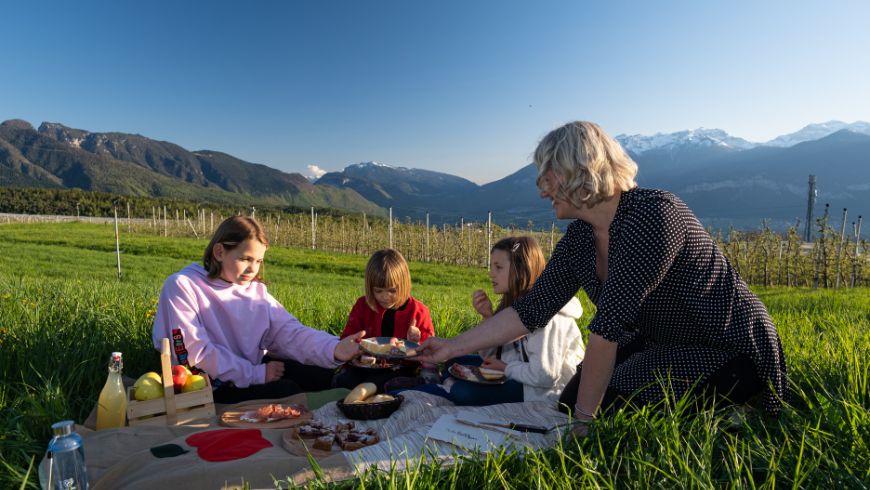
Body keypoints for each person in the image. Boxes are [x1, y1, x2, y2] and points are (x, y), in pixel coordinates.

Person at [415, 121, 788, 431]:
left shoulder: (653, 217)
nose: (542, 190)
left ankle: (735, 410)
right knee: (571, 404)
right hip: (657, 341)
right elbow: (531, 310)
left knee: (602, 413)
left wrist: (583, 425)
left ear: (579, 171)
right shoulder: (581, 236)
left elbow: (606, 331)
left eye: (548, 175)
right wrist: (453, 346)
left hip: (724, 347)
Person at [152, 216, 362, 404]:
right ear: (219, 252)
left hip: (250, 369)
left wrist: (334, 348)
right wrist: (255, 374)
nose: (253, 269)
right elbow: (195, 354)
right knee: (288, 391)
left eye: (259, 261)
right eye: (245, 259)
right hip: (208, 385)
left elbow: (290, 333)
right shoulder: (182, 286)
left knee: (323, 374)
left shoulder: (255, 294)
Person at [408, 236, 585, 406]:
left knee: (463, 391)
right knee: (453, 363)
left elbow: (546, 376)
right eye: (491, 266)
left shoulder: (549, 316)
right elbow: (490, 357)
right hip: (518, 373)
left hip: (542, 391)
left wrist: (505, 368)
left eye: (498, 267)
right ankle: (441, 382)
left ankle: (438, 388)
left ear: (521, 268)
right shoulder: (515, 305)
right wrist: (487, 318)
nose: (491, 274)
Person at [333, 249, 435, 392]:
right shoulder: (363, 306)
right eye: (378, 291)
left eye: (392, 291)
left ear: (404, 285)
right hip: (367, 367)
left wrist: (416, 341)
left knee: (378, 385)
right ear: (370, 288)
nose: (385, 297)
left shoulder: (418, 311)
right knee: (346, 382)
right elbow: (347, 339)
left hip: (402, 369)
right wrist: (358, 351)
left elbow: (430, 353)